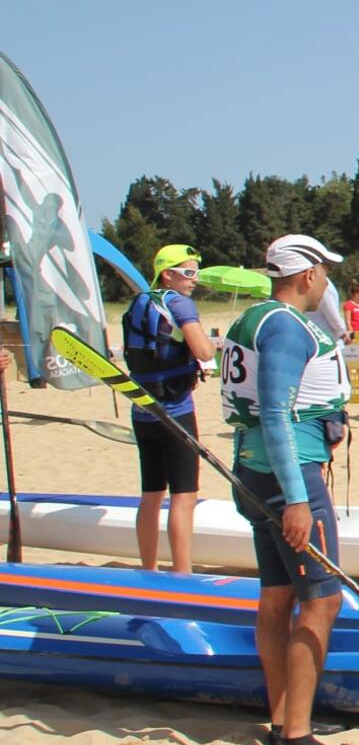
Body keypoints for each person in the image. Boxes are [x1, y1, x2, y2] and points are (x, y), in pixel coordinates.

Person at [220, 234, 354, 745]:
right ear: (307, 277)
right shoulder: (285, 327)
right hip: (287, 477)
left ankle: (283, 716)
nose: (327, 282)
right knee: (322, 601)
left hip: (253, 472)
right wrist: (297, 500)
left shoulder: (249, 319)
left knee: (277, 596)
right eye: (324, 272)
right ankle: (296, 735)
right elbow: (274, 412)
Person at [122, 243, 218, 573]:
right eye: (189, 272)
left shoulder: (138, 302)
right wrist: (213, 344)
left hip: (142, 411)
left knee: (151, 494)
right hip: (175, 412)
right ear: (168, 274)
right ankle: (182, 571)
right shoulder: (179, 303)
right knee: (183, 495)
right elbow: (204, 352)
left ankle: (148, 569)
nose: (195, 279)